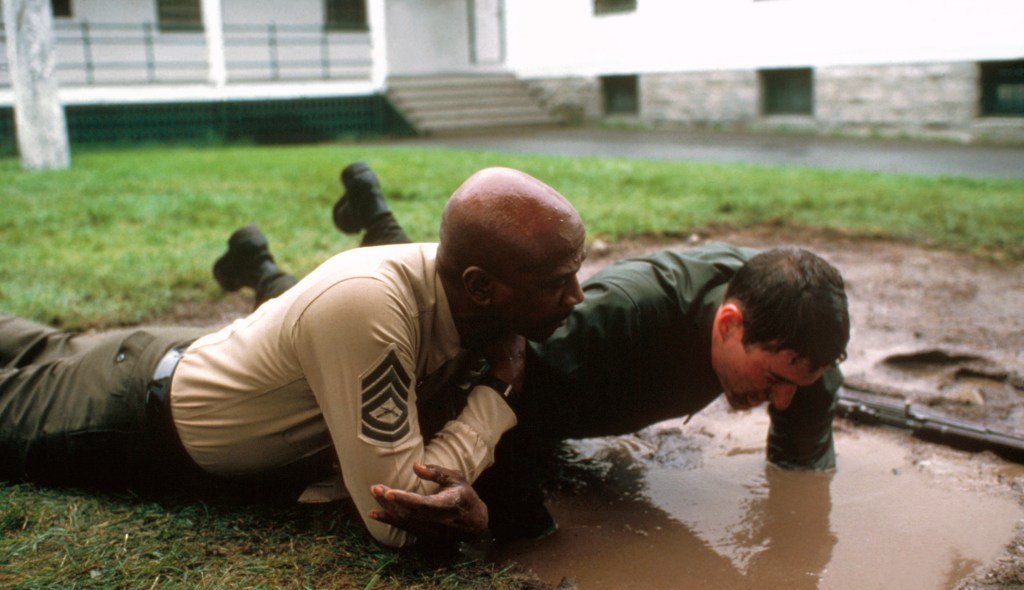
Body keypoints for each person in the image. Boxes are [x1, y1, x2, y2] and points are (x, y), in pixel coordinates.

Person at [218, 162, 851, 541]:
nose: (784, 399)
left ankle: (370, 206)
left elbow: (803, 476)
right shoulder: (603, 328)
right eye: (771, 380)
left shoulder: (803, 352)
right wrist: (521, 525)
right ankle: (266, 269)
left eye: (800, 383)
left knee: (428, 292)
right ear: (729, 324)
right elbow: (500, 390)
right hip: (494, 347)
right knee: (411, 327)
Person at [0, 166, 588, 548]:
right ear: (481, 286)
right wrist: (498, 393)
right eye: (557, 283)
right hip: (130, 417)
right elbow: (401, 520)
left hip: (168, 357)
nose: (577, 296)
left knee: (40, 347)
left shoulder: (462, 289)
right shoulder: (372, 306)